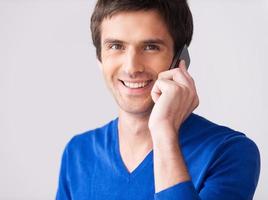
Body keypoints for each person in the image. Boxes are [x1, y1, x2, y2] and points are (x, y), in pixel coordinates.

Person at [56, 0, 260, 199]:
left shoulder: (230, 153)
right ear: (100, 59)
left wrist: (164, 132)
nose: (132, 68)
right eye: (116, 46)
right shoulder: (78, 153)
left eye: (150, 47)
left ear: (180, 59)